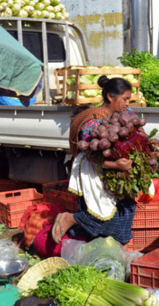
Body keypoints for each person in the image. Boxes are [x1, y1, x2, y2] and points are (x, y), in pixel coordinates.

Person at [53, 76, 143, 245]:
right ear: (110, 96)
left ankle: (109, 252)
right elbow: (90, 156)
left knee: (126, 211)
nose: (127, 104)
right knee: (101, 215)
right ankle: (70, 219)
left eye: (128, 100)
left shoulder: (126, 115)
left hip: (119, 171)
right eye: (124, 99)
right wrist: (114, 164)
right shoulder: (92, 121)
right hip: (94, 170)